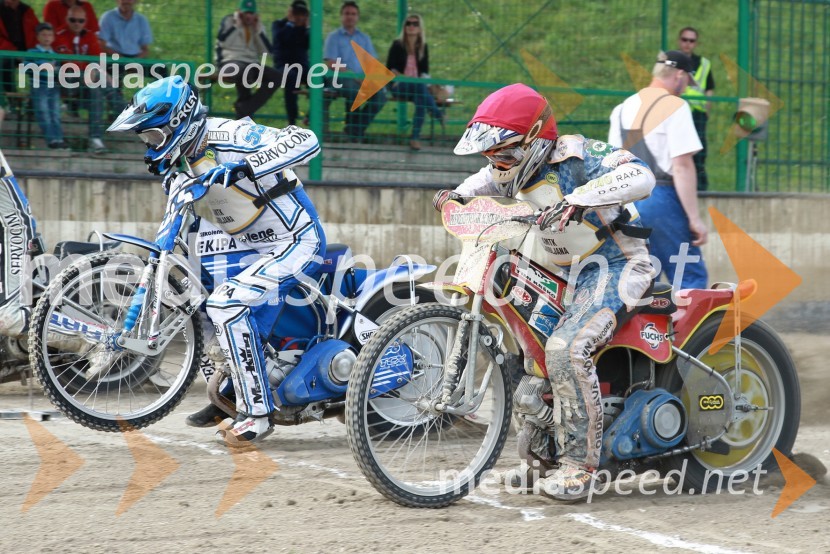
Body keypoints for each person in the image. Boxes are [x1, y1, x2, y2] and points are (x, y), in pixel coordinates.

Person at [433, 83, 656, 500]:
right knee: (525, 346)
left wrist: (581, 197)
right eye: (490, 154)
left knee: (566, 349)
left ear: (535, 140)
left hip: (615, 264)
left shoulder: (578, 153)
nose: (496, 163)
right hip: (561, 271)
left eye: (504, 153)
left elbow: (641, 174)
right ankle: (541, 461)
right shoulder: (506, 169)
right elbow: (481, 181)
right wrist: (456, 196)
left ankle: (579, 466)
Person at [107, 76, 325, 447]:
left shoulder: (230, 135)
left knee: (226, 303)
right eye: (145, 139)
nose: (149, 147)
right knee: (200, 297)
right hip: (243, 241)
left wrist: (246, 167)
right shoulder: (178, 163)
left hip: (294, 239)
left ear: (178, 122)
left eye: (154, 137)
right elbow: (176, 223)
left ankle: (257, 412)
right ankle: (227, 392)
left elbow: (306, 140)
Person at [609, 50, 708, 290]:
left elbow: (612, 163)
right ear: (680, 76)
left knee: (643, 281)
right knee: (687, 276)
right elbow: (682, 166)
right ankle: (693, 328)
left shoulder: (621, 109)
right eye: (686, 83)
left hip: (627, 203)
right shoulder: (675, 106)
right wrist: (695, 219)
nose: (684, 89)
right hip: (660, 200)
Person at [324, 1, 386, 142]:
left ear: (357, 17)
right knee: (354, 90)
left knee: (381, 96)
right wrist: (354, 76)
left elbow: (372, 63)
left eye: (353, 14)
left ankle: (355, 129)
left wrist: (368, 78)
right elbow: (332, 63)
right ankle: (353, 132)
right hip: (339, 78)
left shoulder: (364, 38)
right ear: (341, 16)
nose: (350, 17)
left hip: (361, 79)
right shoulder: (334, 37)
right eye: (347, 13)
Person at [386, 13, 443, 150]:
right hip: (399, 85)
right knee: (419, 88)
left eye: (415, 24)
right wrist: (406, 78)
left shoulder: (423, 47)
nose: (411, 26)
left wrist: (422, 82)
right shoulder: (397, 45)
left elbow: (424, 72)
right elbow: (390, 69)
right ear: (404, 27)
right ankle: (437, 113)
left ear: (419, 28)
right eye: (408, 23)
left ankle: (415, 138)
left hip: (418, 88)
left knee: (421, 100)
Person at [53, 5, 105, 152]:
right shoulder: (58, 34)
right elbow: (65, 60)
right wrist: (85, 70)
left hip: (85, 82)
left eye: (80, 20)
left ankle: (96, 138)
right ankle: (69, 105)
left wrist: (91, 69)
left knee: (97, 90)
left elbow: (96, 59)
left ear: (85, 21)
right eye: (73, 20)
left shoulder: (90, 36)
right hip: (65, 81)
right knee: (69, 75)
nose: (77, 23)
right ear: (67, 20)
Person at [216, 0, 280, 119]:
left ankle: (245, 108)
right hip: (230, 62)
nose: (249, 16)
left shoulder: (258, 26)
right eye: (246, 13)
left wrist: (258, 31)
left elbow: (266, 51)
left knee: (277, 76)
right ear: (240, 13)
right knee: (245, 72)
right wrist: (236, 26)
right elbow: (223, 41)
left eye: (251, 13)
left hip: (250, 64)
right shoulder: (229, 21)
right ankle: (244, 115)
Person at [98, 0, 153, 112]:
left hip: (136, 58)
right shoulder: (108, 17)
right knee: (114, 72)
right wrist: (119, 58)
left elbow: (145, 49)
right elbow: (102, 44)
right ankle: (115, 113)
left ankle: (159, 108)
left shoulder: (141, 20)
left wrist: (136, 60)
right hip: (114, 56)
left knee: (161, 71)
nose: (126, 1)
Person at [677, 27, 714, 191]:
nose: (687, 44)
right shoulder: (673, 60)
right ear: (680, 41)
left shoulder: (704, 64)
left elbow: (710, 88)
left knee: (699, 152)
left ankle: (700, 187)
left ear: (696, 43)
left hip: (697, 114)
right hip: (677, 112)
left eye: (691, 41)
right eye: (685, 40)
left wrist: (707, 110)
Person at [27, 22, 68, 149]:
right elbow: (27, 67)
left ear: (53, 37)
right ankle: (51, 139)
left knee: (55, 113)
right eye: (43, 35)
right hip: (39, 86)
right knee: (43, 111)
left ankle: (59, 138)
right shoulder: (32, 52)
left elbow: (59, 71)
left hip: (53, 86)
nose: (46, 37)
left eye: (49, 35)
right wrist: (42, 68)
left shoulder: (55, 55)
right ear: (38, 37)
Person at [272, 0, 309, 126]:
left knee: (320, 79)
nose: (299, 17)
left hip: (302, 67)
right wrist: (290, 23)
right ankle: (292, 122)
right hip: (283, 65)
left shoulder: (305, 29)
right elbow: (281, 39)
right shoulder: (279, 25)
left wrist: (308, 27)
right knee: (291, 77)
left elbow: (311, 44)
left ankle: (310, 116)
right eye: (296, 13)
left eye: (302, 14)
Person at [0, 0, 39, 93]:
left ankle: (34, 99)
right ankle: (10, 100)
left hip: (28, 52)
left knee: (42, 65)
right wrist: (14, 52)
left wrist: (32, 53)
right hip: (6, 52)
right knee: (5, 65)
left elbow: (37, 33)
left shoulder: (27, 11)